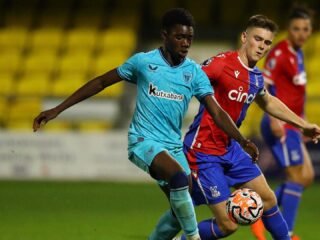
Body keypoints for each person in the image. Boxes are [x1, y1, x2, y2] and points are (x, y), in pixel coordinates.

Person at [32, 8, 259, 240]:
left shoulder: (193, 72)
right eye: (179, 37)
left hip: (173, 146)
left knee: (181, 206)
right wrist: (57, 109)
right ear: (165, 35)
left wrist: (241, 140)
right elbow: (101, 82)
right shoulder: (143, 62)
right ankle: (194, 238)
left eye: (189, 38)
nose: (185, 43)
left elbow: (217, 112)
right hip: (143, 141)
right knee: (179, 179)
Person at [168, 14, 320, 240]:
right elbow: (188, 80)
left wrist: (302, 125)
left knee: (268, 199)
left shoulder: (256, 77)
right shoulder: (221, 63)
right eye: (257, 39)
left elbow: (268, 101)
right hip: (204, 153)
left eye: (267, 42)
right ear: (244, 37)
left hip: (231, 149)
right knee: (228, 226)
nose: (262, 46)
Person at [252, 6, 315, 240]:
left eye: (305, 29)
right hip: (281, 124)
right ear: (290, 29)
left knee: (306, 176)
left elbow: (296, 92)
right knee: (295, 177)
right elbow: (265, 85)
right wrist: (273, 118)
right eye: (297, 29)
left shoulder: (298, 54)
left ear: (310, 31)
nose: (301, 33)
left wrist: (303, 121)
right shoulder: (279, 53)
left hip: (293, 124)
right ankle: (285, 233)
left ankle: (259, 212)